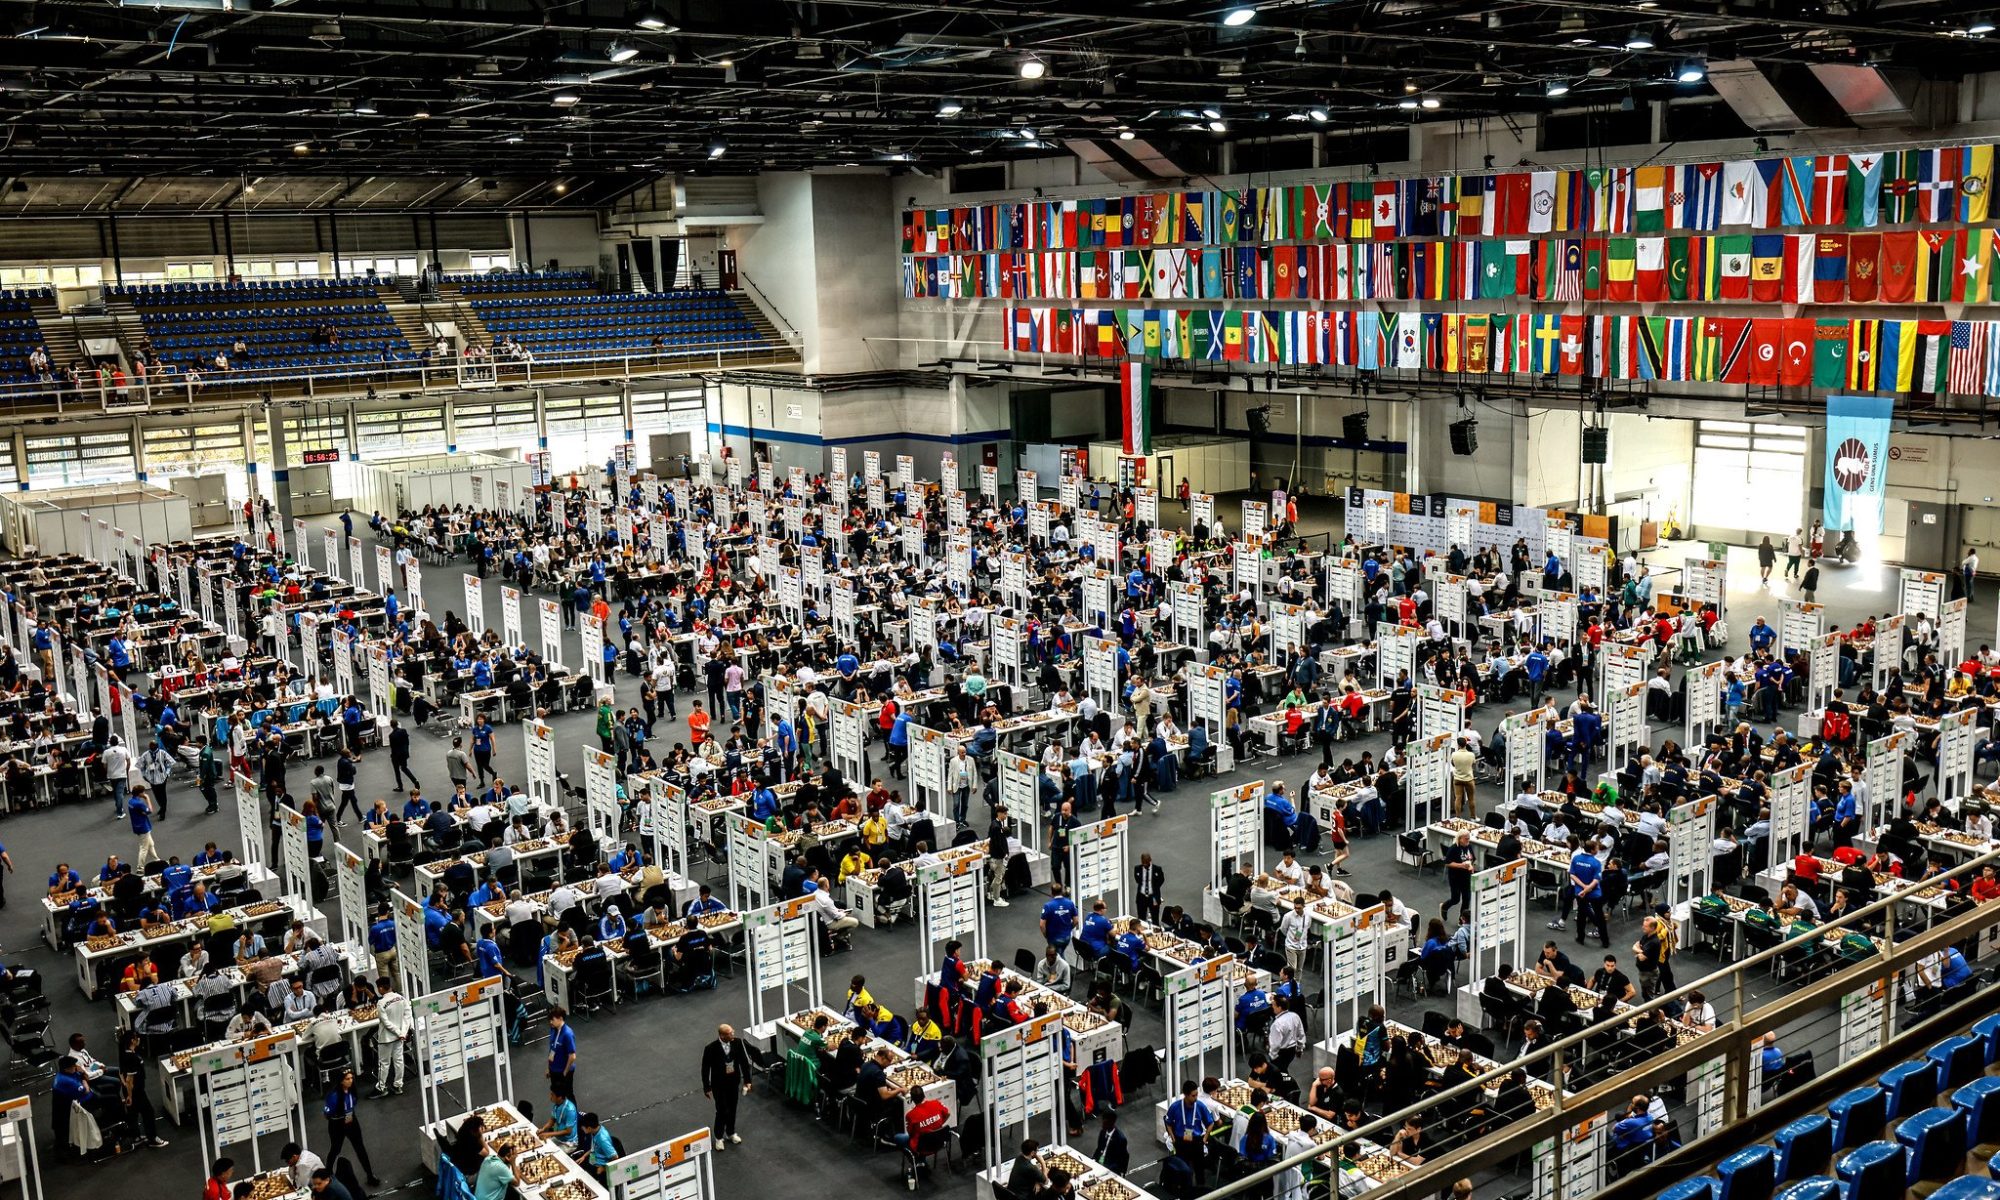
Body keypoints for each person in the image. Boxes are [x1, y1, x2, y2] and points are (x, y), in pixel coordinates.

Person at [322, 1069, 381, 1186]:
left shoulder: (352, 1091)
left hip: (351, 1120)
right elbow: (327, 1114)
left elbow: (353, 1104)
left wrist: (349, 1116)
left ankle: (370, 1175)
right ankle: (327, 1176)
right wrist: (339, 1119)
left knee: (360, 1148)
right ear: (341, 1081)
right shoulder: (333, 1096)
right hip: (337, 1124)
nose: (350, 1081)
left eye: (351, 1078)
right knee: (335, 1149)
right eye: (347, 1079)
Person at [700, 1024, 752, 1149]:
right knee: (722, 1110)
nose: (733, 1034)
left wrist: (747, 1080)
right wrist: (706, 1087)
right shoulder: (711, 1048)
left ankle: (730, 1132)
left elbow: (744, 1061)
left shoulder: (737, 1043)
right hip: (719, 1085)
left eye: (732, 1031)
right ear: (722, 1035)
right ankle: (718, 1137)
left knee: (732, 1108)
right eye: (730, 1033)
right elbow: (705, 1069)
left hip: (733, 1082)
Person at [116, 1028, 170, 1149]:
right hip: (136, 1091)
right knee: (148, 1112)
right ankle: (153, 1138)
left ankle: (136, 1137)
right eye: (136, 1037)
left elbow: (121, 1073)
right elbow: (130, 1079)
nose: (138, 1039)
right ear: (132, 1040)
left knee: (133, 1113)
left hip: (130, 1090)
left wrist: (125, 1087)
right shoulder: (131, 1057)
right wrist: (129, 1095)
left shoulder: (124, 1053)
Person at [547, 1007, 577, 1098]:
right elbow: (552, 1048)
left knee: (568, 1095)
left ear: (560, 1018)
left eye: (552, 1020)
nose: (550, 1022)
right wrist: (549, 1067)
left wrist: (565, 1072)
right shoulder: (553, 1029)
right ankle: (560, 1112)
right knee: (556, 1094)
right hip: (554, 1069)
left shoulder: (568, 1034)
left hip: (563, 1071)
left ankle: (573, 1112)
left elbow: (572, 1056)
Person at [1092, 1108, 1130, 1174]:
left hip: (1110, 1167)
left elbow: (1122, 1159)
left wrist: (1108, 1169)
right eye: (1102, 1121)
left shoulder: (1120, 1139)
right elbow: (1099, 1148)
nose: (1102, 1124)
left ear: (1112, 1122)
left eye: (1105, 1122)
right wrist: (1093, 1159)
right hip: (1100, 1161)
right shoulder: (1103, 1132)